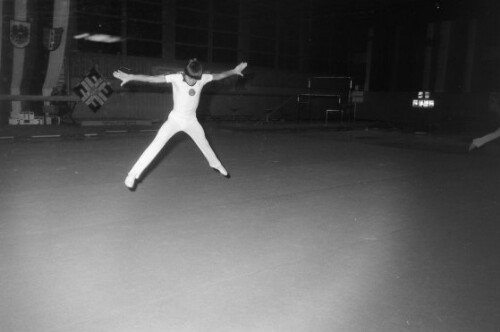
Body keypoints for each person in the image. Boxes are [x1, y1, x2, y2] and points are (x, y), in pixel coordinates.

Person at [113, 59, 248, 189]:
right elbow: (152, 79)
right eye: (191, 78)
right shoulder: (176, 78)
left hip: (192, 121)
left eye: (196, 79)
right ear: (185, 74)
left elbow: (219, 76)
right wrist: (130, 76)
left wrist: (234, 70)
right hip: (175, 120)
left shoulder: (202, 78)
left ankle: (216, 164)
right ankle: (133, 174)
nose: (194, 81)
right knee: (156, 144)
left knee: (204, 142)